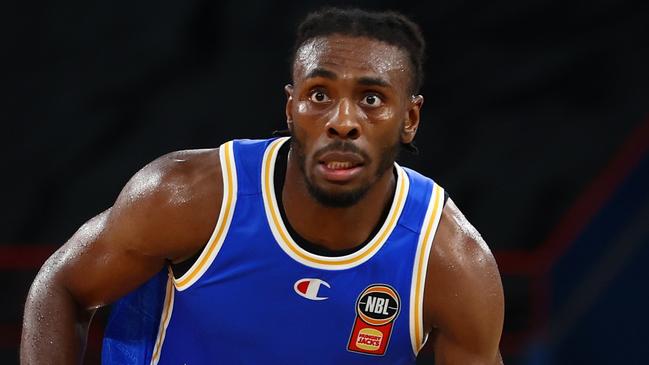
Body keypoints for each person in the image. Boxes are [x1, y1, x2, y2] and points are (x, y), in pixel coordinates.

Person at [21, 7, 504, 364]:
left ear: (410, 118)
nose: (342, 121)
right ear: (291, 108)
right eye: (319, 95)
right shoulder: (191, 195)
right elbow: (62, 286)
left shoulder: (448, 262)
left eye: (371, 99)